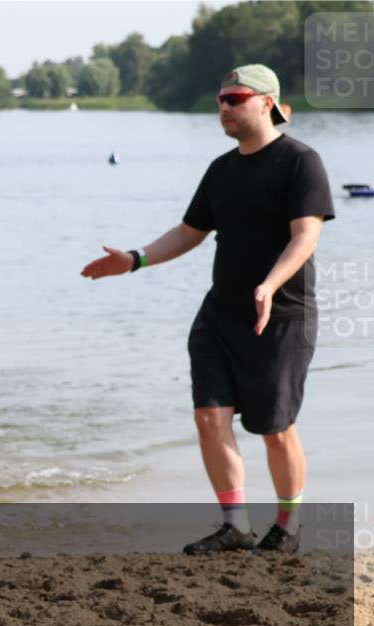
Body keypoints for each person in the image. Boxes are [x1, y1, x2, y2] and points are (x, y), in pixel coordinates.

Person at [81, 64, 334, 555]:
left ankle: (288, 526)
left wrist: (269, 284)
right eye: (221, 98)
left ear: (266, 102)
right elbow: (190, 233)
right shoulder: (221, 169)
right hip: (220, 315)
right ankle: (235, 525)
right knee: (208, 417)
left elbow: (306, 236)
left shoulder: (301, 162)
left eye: (235, 98)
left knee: (275, 430)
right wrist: (135, 260)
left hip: (281, 318)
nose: (224, 106)